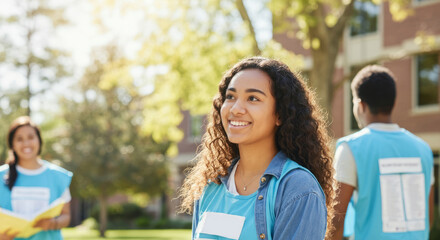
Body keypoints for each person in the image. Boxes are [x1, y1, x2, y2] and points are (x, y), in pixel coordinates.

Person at [179, 57, 335, 240]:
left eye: (253, 98)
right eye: (230, 97)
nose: (236, 109)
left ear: (280, 114)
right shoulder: (210, 185)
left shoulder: (298, 189)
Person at [331, 65, 434, 240]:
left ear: (360, 105)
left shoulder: (350, 148)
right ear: (392, 103)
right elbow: (428, 215)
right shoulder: (423, 149)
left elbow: (336, 219)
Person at [0, 116, 73, 240]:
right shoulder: (1, 176)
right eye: (19, 139)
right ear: (12, 144)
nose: (26, 143)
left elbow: (66, 216)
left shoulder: (58, 176)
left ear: (39, 140)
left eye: (30, 137)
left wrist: (53, 223)